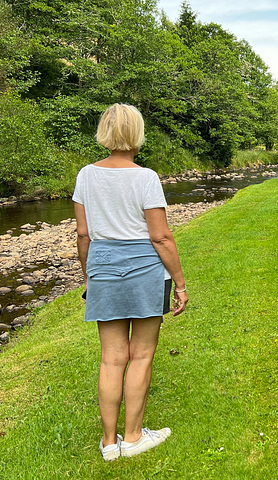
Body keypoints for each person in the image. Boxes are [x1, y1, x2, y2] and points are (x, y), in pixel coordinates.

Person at [73, 103, 188, 461]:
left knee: (111, 359)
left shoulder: (85, 176)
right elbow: (161, 238)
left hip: (103, 264)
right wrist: (180, 284)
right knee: (140, 355)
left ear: (104, 133)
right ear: (136, 134)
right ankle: (134, 437)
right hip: (143, 268)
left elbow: (83, 234)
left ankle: (109, 443)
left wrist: (89, 276)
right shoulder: (146, 177)